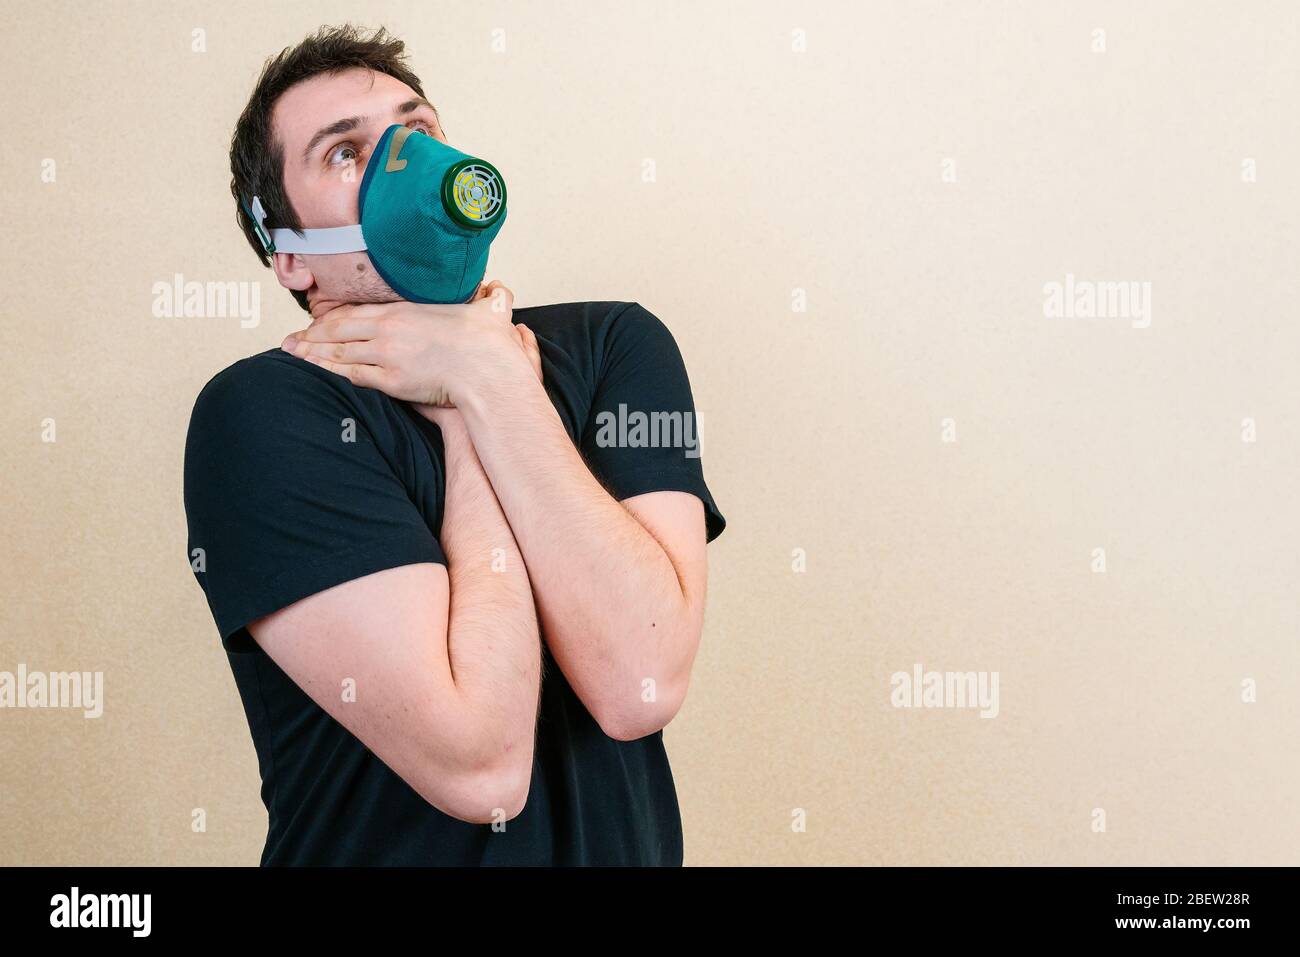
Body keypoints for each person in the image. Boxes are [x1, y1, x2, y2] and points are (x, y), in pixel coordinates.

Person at [183, 23, 726, 865]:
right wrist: (474, 408)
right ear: (289, 256)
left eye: (419, 130)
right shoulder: (262, 414)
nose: (407, 162)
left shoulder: (617, 346)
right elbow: (483, 766)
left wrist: (496, 381)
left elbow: (639, 683)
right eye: (346, 153)